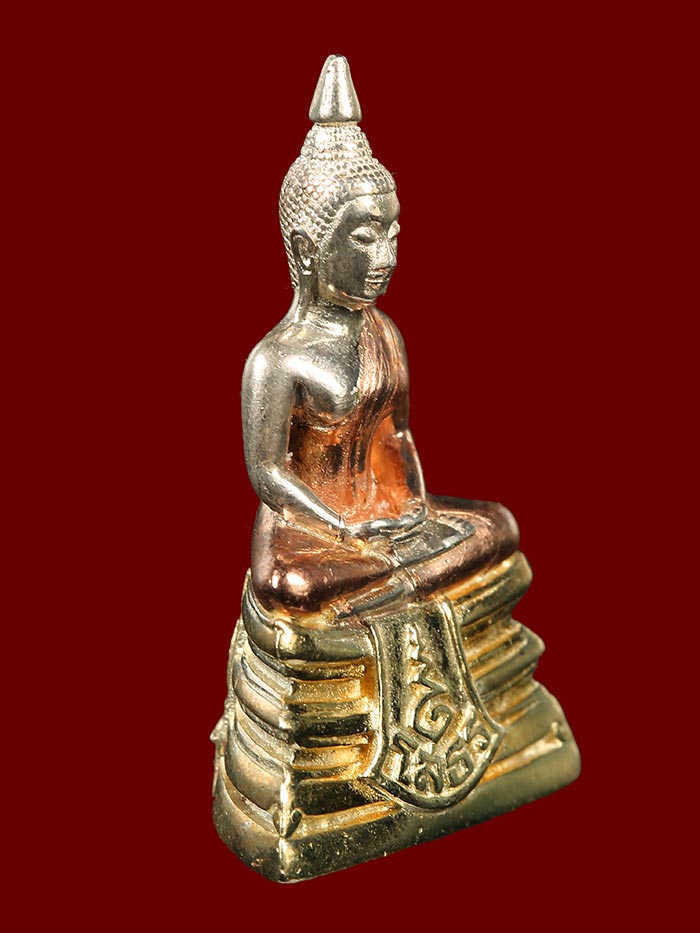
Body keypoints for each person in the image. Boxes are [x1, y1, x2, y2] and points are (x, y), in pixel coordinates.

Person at [243, 56, 518, 616]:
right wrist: (343, 527)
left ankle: (391, 586)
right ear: (307, 249)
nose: (386, 258)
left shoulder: (384, 333)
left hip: (385, 513)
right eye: (366, 238)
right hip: (312, 529)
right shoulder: (277, 359)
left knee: (498, 526)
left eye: (394, 235)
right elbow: (268, 473)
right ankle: (400, 584)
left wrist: (411, 507)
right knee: (295, 589)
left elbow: (398, 434)